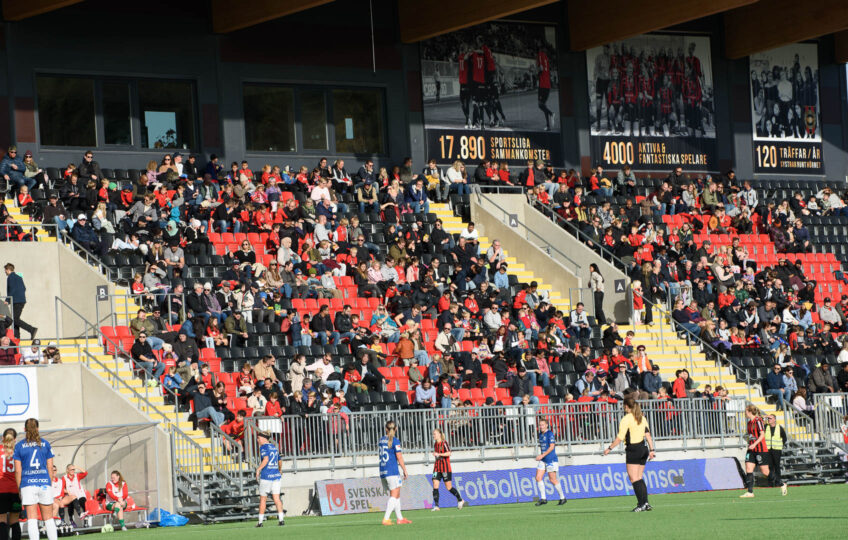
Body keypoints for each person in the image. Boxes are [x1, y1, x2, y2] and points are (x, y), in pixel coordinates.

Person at [603, 396, 656, 512]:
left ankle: (641, 504)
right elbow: (648, 435)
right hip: (644, 449)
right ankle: (645, 503)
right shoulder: (642, 417)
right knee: (639, 477)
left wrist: (609, 448)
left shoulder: (626, 419)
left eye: (623, 405)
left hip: (634, 449)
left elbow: (620, 438)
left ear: (626, 406)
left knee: (633, 479)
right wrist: (652, 450)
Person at [13, 418, 58, 540]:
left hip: (28, 484)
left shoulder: (19, 446)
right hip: (44, 483)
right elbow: (50, 468)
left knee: (32, 519)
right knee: (48, 519)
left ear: (24, 429)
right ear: (38, 429)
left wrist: (19, 488)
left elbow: (18, 471)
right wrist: (48, 483)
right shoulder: (46, 444)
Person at [379, 420, 411, 526]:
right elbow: (399, 456)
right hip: (392, 471)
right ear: (396, 429)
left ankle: (400, 518)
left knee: (396, 495)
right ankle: (386, 518)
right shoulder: (395, 441)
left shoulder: (381, 440)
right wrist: (405, 470)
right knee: (394, 495)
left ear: (385, 429)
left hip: (383, 471)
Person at [534, 419, 567, 506]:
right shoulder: (540, 434)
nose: (541, 426)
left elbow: (552, 447)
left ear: (547, 425)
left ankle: (562, 497)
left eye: (543, 425)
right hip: (543, 460)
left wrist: (542, 455)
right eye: (540, 425)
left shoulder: (550, 434)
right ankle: (543, 499)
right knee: (538, 477)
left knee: (552, 479)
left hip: (551, 459)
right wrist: (542, 456)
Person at [740, 405, 770, 498]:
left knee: (765, 472)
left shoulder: (758, 421)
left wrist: (755, 444)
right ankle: (750, 492)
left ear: (749, 412)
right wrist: (748, 440)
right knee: (748, 468)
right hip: (751, 449)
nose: (744, 413)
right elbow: (750, 435)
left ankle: (781, 483)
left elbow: (762, 435)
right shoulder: (749, 423)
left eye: (745, 411)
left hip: (760, 449)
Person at [255, 431, 284, 527]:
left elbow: (266, 459)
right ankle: (281, 520)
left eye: (258, 438)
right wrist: (280, 470)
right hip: (276, 476)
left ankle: (260, 522)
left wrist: (258, 469)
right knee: (277, 498)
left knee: (263, 499)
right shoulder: (274, 447)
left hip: (266, 476)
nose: (257, 440)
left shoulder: (263, 447)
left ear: (263, 438)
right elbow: (279, 460)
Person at [431, 428, 464, 511]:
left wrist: (439, 454)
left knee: (449, 487)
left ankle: (460, 499)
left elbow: (449, 453)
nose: (433, 435)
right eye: (433, 434)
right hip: (437, 468)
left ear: (439, 434)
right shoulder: (435, 444)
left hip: (445, 468)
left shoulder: (444, 443)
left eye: (435, 434)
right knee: (435, 484)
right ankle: (437, 506)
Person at [4, 263, 37, 339]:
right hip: (21, 300)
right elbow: (24, 288)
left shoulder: (10, 277)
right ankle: (17, 336)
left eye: (5, 270)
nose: (5, 272)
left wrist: (7, 300)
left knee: (15, 319)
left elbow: (12, 289)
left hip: (16, 301)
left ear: (8, 270)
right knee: (15, 319)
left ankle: (31, 329)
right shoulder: (19, 277)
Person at [0, 428, 21, 540]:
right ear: (15, 439)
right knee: (15, 521)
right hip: (15, 491)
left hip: (1, 490)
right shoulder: (18, 451)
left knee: (2, 520)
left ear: (3, 438)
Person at [763, 414, 788, 496]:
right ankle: (770, 483)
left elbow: (784, 438)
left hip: (776, 450)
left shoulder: (779, 427)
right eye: (768, 418)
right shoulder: (765, 427)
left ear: (774, 419)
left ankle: (778, 483)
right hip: (768, 450)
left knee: (777, 466)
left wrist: (781, 446)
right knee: (769, 467)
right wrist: (764, 418)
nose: (769, 420)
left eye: (770, 418)